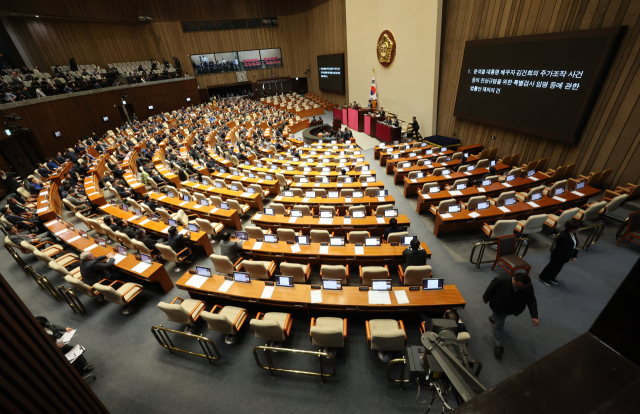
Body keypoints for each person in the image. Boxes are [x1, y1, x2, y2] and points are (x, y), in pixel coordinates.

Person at [483, 273, 538, 357]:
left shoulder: (528, 286)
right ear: (514, 279)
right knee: (498, 326)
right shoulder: (501, 280)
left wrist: (534, 316)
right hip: (499, 306)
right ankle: (498, 345)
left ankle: (494, 318)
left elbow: (531, 300)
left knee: (500, 318)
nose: (520, 289)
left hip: (513, 309)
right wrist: (486, 298)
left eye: (522, 288)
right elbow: (491, 289)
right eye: (518, 287)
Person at [538, 220, 580, 287]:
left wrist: (574, 254)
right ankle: (543, 277)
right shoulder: (563, 236)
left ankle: (552, 277)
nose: (579, 229)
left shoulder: (573, 233)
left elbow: (575, 244)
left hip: (564, 256)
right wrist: (576, 252)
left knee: (558, 267)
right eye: (577, 228)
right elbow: (567, 249)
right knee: (552, 266)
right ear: (571, 229)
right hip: (558, 255)